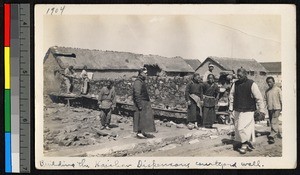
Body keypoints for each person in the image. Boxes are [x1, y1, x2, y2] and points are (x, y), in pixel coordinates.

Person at [229, 68, 265, 154]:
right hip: (237, 109)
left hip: (248, 110)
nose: (239, 77)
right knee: (238, 128)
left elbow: (259, 98)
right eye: (238, 76)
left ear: (245, 75)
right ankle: (243, 142)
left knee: (242, 128)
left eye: (240, 76)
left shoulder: (252, 84)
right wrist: (230, 109)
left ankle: (244, 145)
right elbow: (231, 96)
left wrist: (262, 110)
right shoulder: (235, 84)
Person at [133, 67, 156, 138]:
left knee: (144, 118)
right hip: (141, 102)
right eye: (145, 73)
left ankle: (143, 131)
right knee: (140, 117)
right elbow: (137, 94)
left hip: (144, 102)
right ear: (141, 73)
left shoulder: (142, 81)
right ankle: (139, 132)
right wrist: (139, 104)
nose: (147, 74)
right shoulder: (138, 82)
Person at [264, 76, 282, 144]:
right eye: (268, 82)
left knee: (274, 121)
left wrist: (283, 107)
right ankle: (277, 133)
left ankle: (272, 136)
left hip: (277, 108)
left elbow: (281, 99)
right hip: (270, 108)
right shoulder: (267, 91)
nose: (269, 84)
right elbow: (265, 99)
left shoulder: (278, 89)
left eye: (270, 82)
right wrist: (263, 108)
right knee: (272, 121)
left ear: (274, 82)